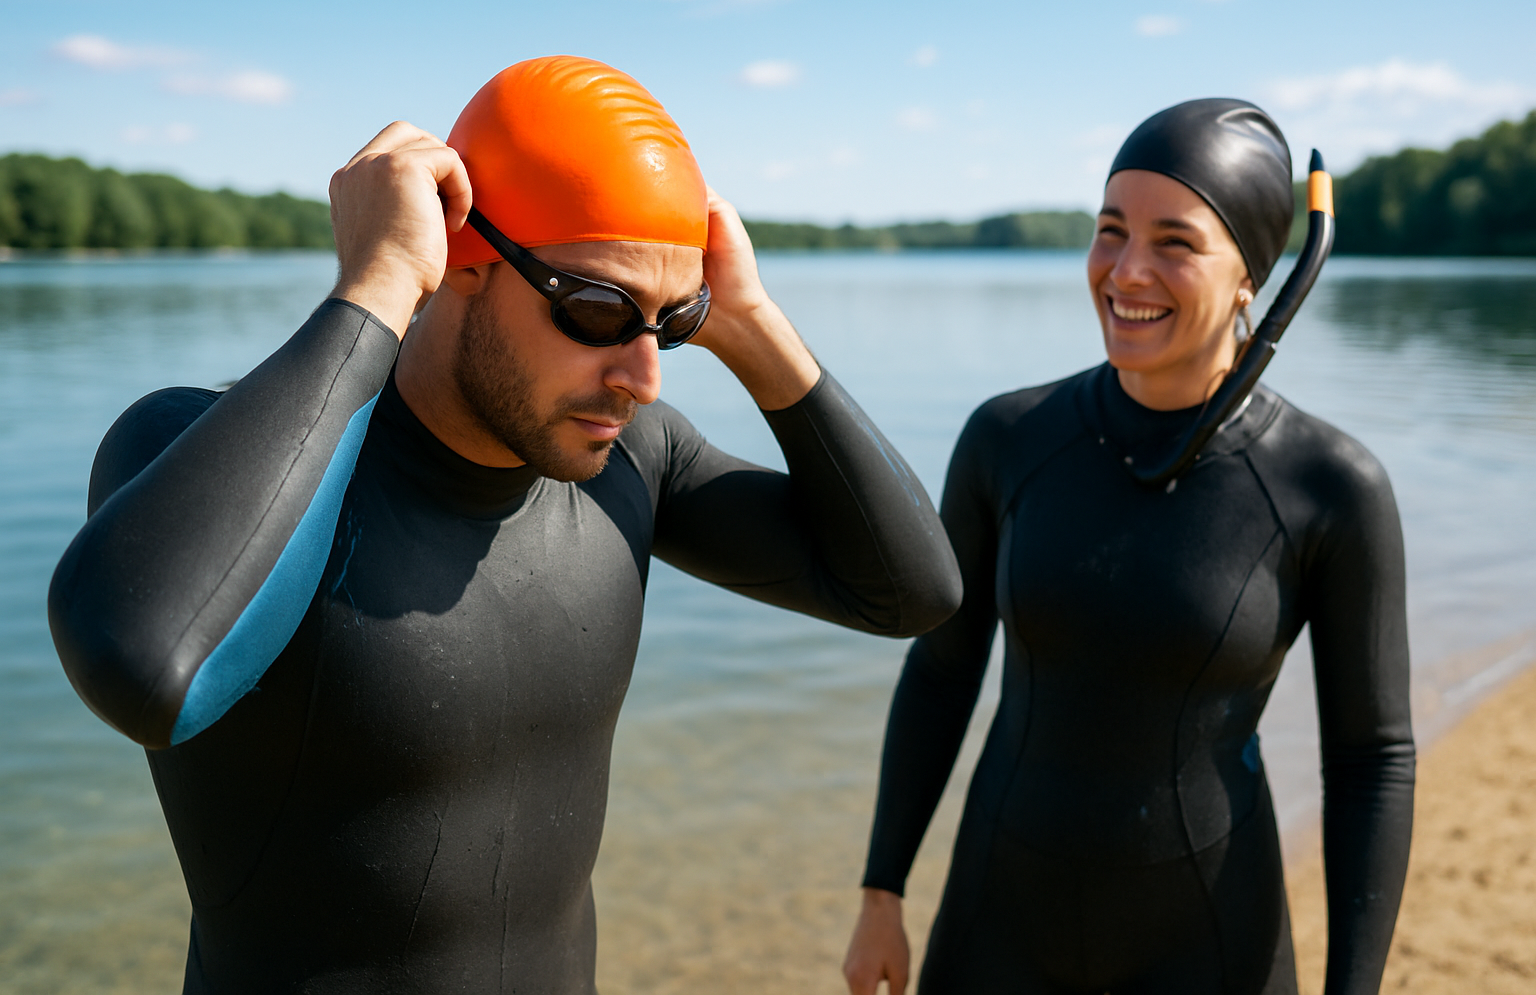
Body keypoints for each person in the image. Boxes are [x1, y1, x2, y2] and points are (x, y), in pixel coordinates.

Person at [48, 56, 962, 993]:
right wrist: (375, 287)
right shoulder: (196, 450)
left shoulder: (634, 462)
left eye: (672, 322)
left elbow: (909, 591)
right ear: (462, 260)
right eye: (600, 310)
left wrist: (748, 319)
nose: (644, 376)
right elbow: (149, 669)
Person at [842, 99, 1414, 995]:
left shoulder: (1329, 487)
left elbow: (1371, 758)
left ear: (1248, 280)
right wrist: (883, 889)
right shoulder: (1010, 438)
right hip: (997, 929)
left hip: (1208, 943)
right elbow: (944, 672)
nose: (1127, 271)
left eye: (1176, 242)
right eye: (1111, 230)